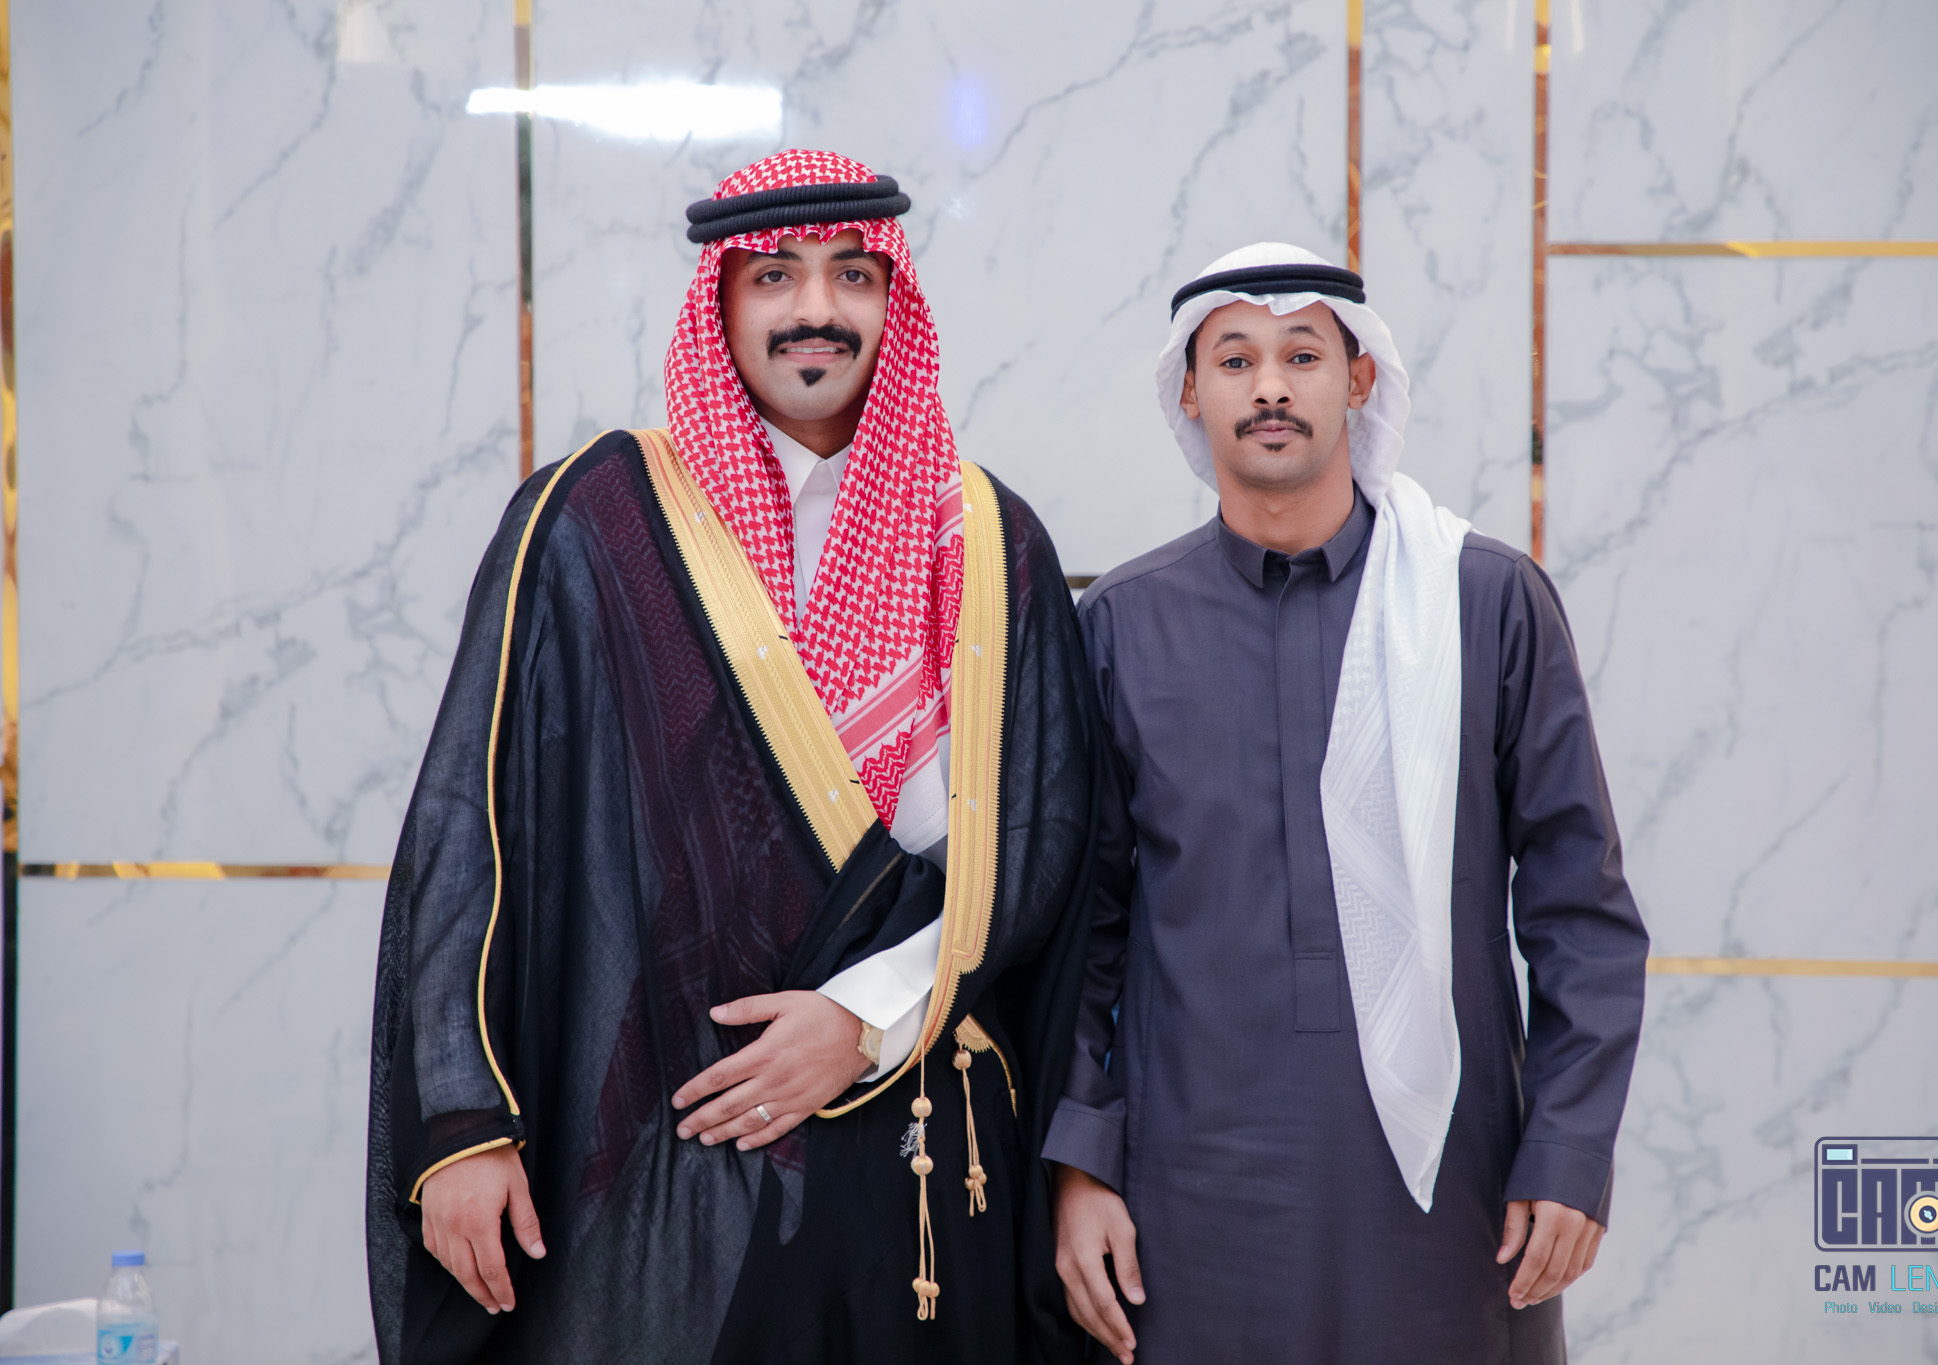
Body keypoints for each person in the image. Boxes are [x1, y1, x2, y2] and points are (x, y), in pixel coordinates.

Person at [366, 150, 1097, 1364]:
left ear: (892, 301)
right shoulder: (596, 520)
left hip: (912, 1142)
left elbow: (1039, 843)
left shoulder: (986, 540)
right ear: (719, 302)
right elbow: (474, 824)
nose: (816, 308)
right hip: (665, 1153)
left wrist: (859, 1019)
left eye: (851, 274)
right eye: (774, 276)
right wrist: (462, 1123)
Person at [1045, 243, 1649, 1362]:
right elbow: (1082, 935)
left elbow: (1583, 915)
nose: (1269, 386)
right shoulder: (1123, 624)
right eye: (1234, 359)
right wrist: (1079, 1170)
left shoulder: (1482, 601)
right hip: (1189, 1199)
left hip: (1453, 1196)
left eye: (1302, 355)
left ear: (1359, 379)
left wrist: (1568, 1151)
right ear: (1190, 392)